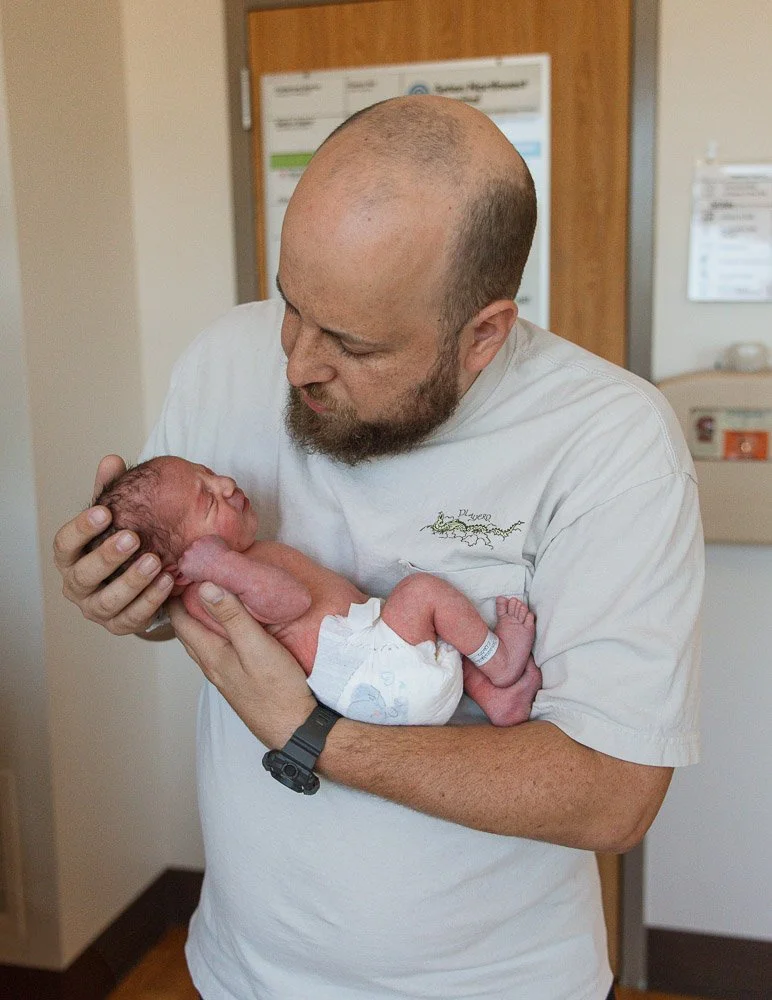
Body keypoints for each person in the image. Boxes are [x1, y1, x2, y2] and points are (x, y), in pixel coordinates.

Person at [54, 95, 703, 1000]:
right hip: (241, 970)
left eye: (353, 345)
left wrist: (315, 736)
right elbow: (188, 598)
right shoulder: (221, 359)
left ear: (483, 335)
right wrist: (121, 593)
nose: (295, 363)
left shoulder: (611, 442)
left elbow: (614, 793)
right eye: (290, 306)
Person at [89, 454, 541, 726]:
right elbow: (293, 602)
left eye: (208, 473)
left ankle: (494, 700)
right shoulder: (211, 589)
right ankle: (499, 662)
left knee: (431, 634)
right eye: (208, 500)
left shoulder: (227, 571)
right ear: (179, 570)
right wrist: (225, 565)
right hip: (368, 672)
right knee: (422, 593)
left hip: (375, 669)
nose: (225, 484)